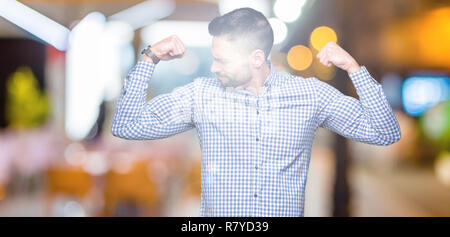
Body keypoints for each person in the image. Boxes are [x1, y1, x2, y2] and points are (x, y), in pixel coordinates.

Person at [111, 7, 401, 217]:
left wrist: (353, 68)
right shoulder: (201, 95)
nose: (213, 68)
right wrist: (150, 58)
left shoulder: (310, 95)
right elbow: (127, 126)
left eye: (221, 60)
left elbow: (385, 132)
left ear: (256, 57)